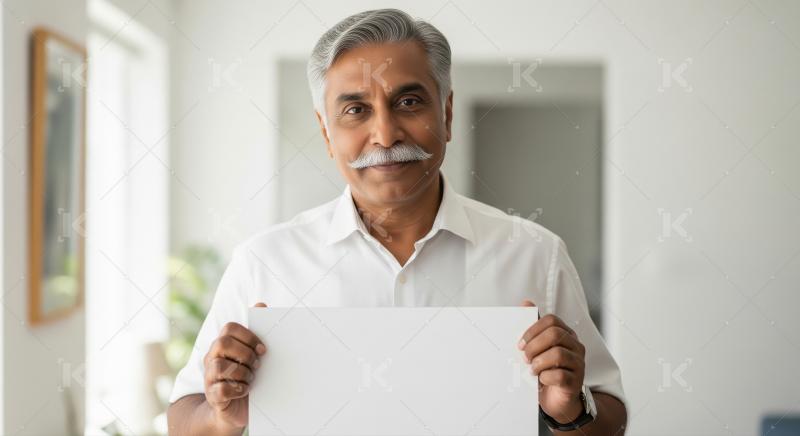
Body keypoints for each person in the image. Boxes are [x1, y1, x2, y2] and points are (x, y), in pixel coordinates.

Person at [167, 8, 627, 435]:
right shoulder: (264, 261)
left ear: (446, 113)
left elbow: (610, 415)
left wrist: (570, 410)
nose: (385, 135)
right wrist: (222, 414)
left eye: (408, 102)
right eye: (355, 110)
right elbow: (183, 417)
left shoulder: (535, 254)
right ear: (326, 132)